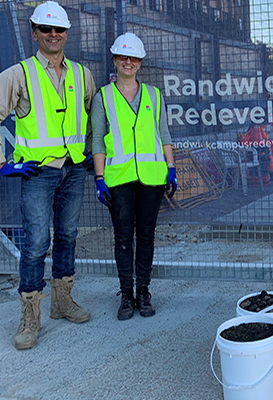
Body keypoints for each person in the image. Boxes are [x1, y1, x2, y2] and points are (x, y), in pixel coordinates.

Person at [0, 1, 95, 350]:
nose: (53, 35)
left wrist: (87, 154)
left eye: (59, 30)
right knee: (37, 242)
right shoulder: (17, 74)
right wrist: (0, 162)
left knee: (68, 236)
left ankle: (62, 302)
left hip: (73, 170)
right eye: (46, 29)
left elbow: (88, 115)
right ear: (34, 33)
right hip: (39, 173)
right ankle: (29, 317)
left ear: (66, 34)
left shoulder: (81, 74)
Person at [91, 33, 176, 321]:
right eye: (123, 57)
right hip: (119, 178)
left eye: (134, 58)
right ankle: (126, 294)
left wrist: (171, 167)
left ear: (140, 63)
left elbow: (163, 134)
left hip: (152, 177)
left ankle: (144, 292)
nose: (128, 62)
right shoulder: (103, 97)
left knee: (147, 235)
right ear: (115, 60)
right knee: (124, 237)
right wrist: (99, 177)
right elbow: (99, 141)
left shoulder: (153, 95)